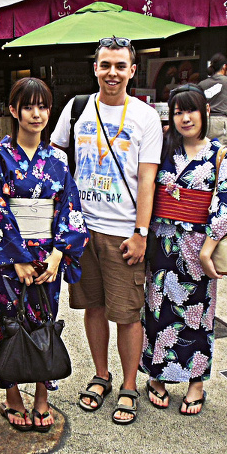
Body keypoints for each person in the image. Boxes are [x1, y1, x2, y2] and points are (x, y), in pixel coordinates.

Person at [51, 36, 163, 426]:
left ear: (132, 70)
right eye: (105, 65)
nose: (111, 73)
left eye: (120, 66)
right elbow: (55, 161)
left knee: (128, 314)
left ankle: (129, 385)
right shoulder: (77, 108)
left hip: (123, 232)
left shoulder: (145, 118)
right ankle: (102, 375)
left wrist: (141, 233)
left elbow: (148, 181)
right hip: (83, 231)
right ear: (94, 68)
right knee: (92, 307)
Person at [142, 85, 227, 414]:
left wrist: (208, 249)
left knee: (198, 314)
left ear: (205, 113)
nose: (185, 118)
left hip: (197, 246)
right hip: (161, 244)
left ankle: (196, 382)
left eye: (191, 110)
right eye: (178, 111)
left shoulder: (221, 154)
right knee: (156, 310)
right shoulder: (165, 150)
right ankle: (157, 375)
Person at [0, 78, 89, 432]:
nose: (36, 114)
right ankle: (13, 395)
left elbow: (68, 206)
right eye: (28, 106)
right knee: (9, 322)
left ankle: (42, 395)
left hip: (47, 258)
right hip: (12, 258)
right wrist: (15, 257)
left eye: (43, 106)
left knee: (45, 319)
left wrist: (59, 255)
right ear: (13, 110)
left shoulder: (58, 158)